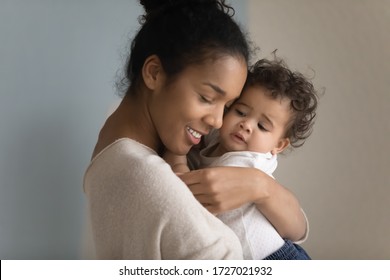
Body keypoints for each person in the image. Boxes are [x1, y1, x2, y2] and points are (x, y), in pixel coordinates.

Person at [83, 0, 306, 259]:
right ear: (154, 73)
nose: (218, 122)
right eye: (207, 97)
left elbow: (298, 229)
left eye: (228, 106)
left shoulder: (116, 141)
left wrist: (262, 186)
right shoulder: (151, 178)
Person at [165, 57, 318, 259]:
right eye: (241, 111)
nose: (246, 124)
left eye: (262, 126)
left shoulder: (245, 162)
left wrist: (176, 157)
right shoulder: (219, 138)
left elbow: (191, 203)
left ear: (278, 145)